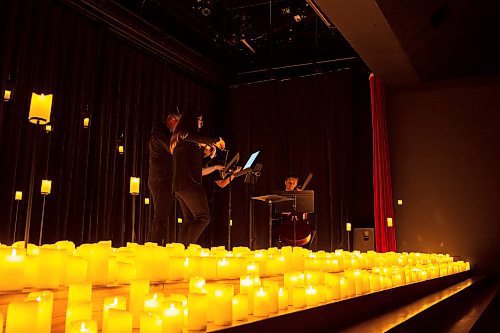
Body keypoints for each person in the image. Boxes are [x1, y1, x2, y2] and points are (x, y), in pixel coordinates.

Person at [170, 111, 226, 246]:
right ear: (192, 121)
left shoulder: (180, 139)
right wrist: (217, 140)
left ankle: (180, 252)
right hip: (189, 184)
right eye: (199, 121)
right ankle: (186, 250)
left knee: (189, 219)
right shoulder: (186, 134)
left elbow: (192, 163)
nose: (201, 124)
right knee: (203, 218)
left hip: (180, 186)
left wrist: (206, 154)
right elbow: (201, 138)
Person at [148, 113, 180, 244]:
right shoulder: (160, 132)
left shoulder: (165, 134)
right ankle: (152, 247)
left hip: (164, 180)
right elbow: (172, 148)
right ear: (172, 120)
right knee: (160, 217)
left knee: (162, 217)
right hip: (160, 180)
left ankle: (153, 246)